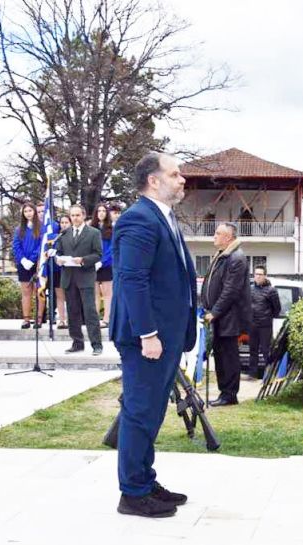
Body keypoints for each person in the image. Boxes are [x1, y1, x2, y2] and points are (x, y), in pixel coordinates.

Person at [110, 152, 197, 518]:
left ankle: (144, 480)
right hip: (147, 337)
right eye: (175, 174)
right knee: (140, 411)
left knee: (152, 410)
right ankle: (132, 492)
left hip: (166, 335)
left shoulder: (164, 217)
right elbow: (133, 279)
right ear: (153, 180)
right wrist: (148, 333)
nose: (182, 180)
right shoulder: (138, 219)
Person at [200, 222, 252, 406]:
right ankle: (225, 393)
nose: (214, 236)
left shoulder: (236, 258)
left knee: (228, 357)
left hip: (230, 317)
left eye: (218, 233)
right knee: (221, 356)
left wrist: (215, 312)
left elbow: (231, 290)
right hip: (220, 317)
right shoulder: (223, 255)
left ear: (229, 237)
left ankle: (229, 395)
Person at [54, 204, 103, 355]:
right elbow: (59, 253)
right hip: (69, 277)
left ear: (83, 215)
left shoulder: (93, 233)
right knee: (72, 311)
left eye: (77, 215)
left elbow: (98, 254)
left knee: (90, 312)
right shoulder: (64, 234)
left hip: (85, 277)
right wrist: (58, 260)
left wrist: (83, 260)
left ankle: (96, 344)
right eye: (72, 216)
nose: (75, 218)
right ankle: (77, 343)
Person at [12, 202, 44, 329]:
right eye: (25, 211)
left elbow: (41, 245)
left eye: (30, 210)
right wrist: (23, 260)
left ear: (34, 212)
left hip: (37, 263)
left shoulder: (41, 227)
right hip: (23, 264)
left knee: (38, 291)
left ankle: (39, 319)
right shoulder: (19, 229)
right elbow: (16, 246)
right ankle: (26, 319)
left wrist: (32, 259)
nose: (28, 213)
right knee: (26, 292)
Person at [248, 265, 280, 380]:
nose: (258, 276)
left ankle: (269, 375)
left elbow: (277, 308)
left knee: (266, 350)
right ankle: (252, 375)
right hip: (252, 325)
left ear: (265, 276)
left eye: (260, 274)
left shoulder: (271, 291)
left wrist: (268, 317)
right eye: (256, 274)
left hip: (265, 326)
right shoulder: (250, 289)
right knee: (253, 350)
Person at [92, 203, 114, 328]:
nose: (101, 213)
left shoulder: (112, 228)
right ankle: (95, 320)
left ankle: (106, 319)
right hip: (93, 264)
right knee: (94, 294)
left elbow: (112, 248)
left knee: (107, 294)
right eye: (99, 210)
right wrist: (93, 261)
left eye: (103, 211)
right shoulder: (91, 228)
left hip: (106, 265)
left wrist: (102, 261)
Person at [53, 215, 71, 329]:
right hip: (58, 269)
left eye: (66, 222)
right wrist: (57, 257)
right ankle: (62, 319)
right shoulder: (57, 237)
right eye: (62, 222)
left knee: (70, 296)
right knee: (60, 296)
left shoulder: (74, 235)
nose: (64, 224)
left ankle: (70, 319)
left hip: (71, 269)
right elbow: (56, 251)